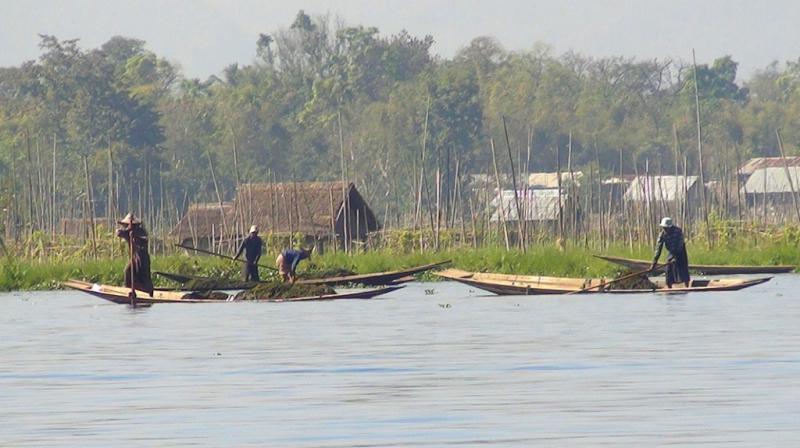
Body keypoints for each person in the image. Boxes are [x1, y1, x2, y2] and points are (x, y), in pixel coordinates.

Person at [116, 213, 154, 296]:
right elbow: (118, 233)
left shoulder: (140, 231)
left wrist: (134, 235)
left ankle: (148, 291)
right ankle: (130, 289)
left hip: (141, 256)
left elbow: (144, 239)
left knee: (143, 274)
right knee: (129, 272)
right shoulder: (128, 232)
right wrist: (129, 230)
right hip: (134, 256)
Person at [650, 217, 690, 288]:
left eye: (666, 228)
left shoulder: (678, 231)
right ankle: (669, 287)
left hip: (681, 252)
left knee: (683, 269)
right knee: (668, 269)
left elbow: (680, 245)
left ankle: (687, 285)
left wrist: (675, 258)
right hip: (671, 252)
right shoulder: (662, 235)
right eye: (663, 227)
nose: (665, 229)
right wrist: (654, 263)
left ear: (670, 227)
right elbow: (658, 249)